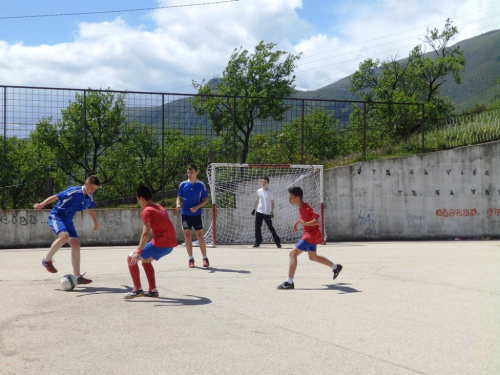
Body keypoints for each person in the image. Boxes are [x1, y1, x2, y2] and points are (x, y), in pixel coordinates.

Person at [34, 175, 100, 285]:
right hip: (57, 216)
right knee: (64, 236)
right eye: (91, 188)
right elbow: (56, 197)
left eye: (95, 189)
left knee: (76, 244)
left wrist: (95, 222)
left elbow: (90, 208)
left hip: (68, 220)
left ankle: (77, 276)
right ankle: (46, 260)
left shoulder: (89, 196)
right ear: (86, 183)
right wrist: (41, 204)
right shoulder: (74, 191)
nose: (92, 191)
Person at [277, 186, 342, 290]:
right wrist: (297, 223)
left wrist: (306, 223)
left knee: (292, 253)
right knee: (313, 257)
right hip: (311, 234)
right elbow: (303, 218)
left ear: (297, 198)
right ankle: (335, 267)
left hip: (310, 235)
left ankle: (289, 282)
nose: (289, 199)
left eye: (291, 197)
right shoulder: (301, 206)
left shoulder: (306, 207)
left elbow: (316, 221)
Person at [124, 185, 178, 299]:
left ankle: (137, 289)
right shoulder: (159, 207)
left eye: (138, 200)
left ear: (142, 199)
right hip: (170, 246)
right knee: (146, 261)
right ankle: (153, 290)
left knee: (131, 258)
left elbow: (145, 233)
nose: (138, 202)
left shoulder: (146, 211)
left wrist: (138, 251)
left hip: (160, 244)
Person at [176, 163, 210, 268]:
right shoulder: (182, 184)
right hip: (185, 214)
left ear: (196, 172)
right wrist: (178, 204)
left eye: (191, 172)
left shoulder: (201, 185)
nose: (189, 174)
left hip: (197, 214)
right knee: (187, 236)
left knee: (200, 236)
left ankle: (205, 258)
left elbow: (206, 199)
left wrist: (197, 207)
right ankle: (190, 258)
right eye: (188, 172)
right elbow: (179, 197)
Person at [252, 176, 281, 248]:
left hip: (267, 212)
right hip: (259, 211)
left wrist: (272, 212)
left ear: (268, 183)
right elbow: (257, 200)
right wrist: (254, 209)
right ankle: (257, 242)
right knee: (257, 227)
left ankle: (277, 242)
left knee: (270, 227)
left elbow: (272, 202)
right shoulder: (258, 191)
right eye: (262, 182)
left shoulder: (270, 192)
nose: (263, 183)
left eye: (265, 182)